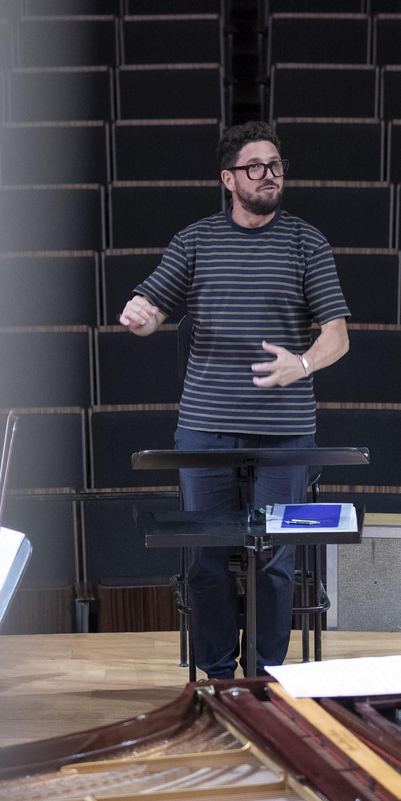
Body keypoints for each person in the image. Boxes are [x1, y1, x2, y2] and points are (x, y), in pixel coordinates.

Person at [119, 120, 351, 678]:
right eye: (255, 167)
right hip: (206, 425)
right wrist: (141, 317)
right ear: (229, 179)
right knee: (205, 560)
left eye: (275, 165)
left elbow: (337, 337)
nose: (268, 175)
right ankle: (219, 675)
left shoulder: (306, 241)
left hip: (286, 431)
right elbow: (149, 306)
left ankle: (265, 674)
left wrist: (301, 363)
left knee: (276, 559)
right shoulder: (197, 240)